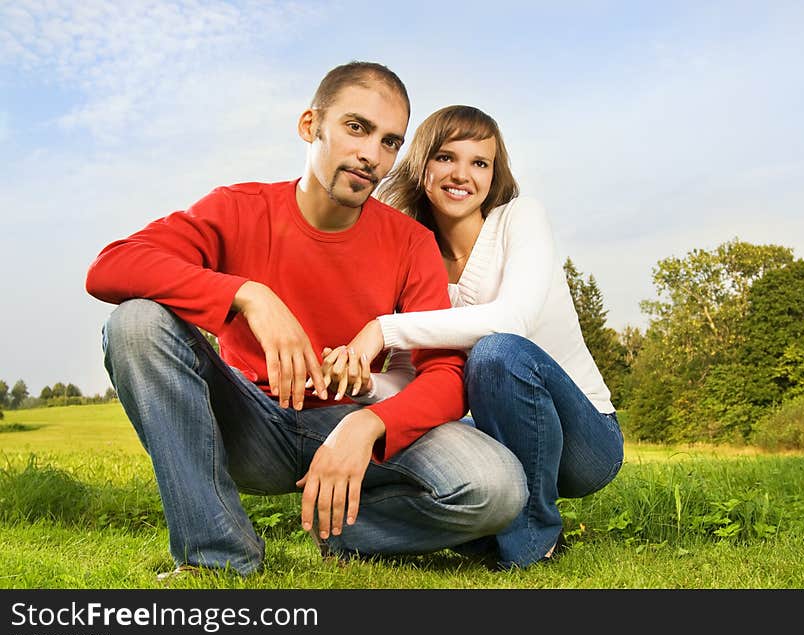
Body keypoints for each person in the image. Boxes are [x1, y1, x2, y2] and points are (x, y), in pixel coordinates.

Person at [84, 64, 527, 579]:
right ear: (309, 125)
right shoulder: (237, 208)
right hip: (250, 424)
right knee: (136, 324)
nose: (370, 155)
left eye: (389, 142)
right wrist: (247, 294)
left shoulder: (410, 242)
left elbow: (447, 376)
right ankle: (217, 556)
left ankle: (342, 529)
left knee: (498, 489)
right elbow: (110, 267)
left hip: (353, 426)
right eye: (356, 128)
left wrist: (368, 424)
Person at [319, 105, 624, 570]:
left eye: (479, 163)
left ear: (493, 174)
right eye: (446, 157)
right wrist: (361, 385)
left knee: (496, 353)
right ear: (422, 167)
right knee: (414, 429)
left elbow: (511, 321)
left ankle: (531, 539)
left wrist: (382, 329)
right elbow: (406, 379)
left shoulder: (520, 218)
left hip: (584, 440)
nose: (462, 174)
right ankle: (355, 530)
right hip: (495, 435)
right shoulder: (412, 259)